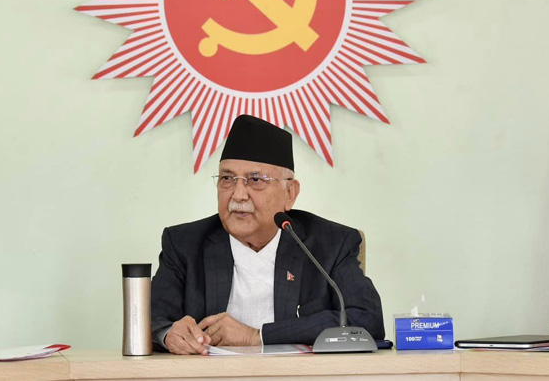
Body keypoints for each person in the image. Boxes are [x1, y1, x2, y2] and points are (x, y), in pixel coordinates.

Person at [150, 115, 384, 354]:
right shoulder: (184, 244)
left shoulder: (331, 244)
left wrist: (257, 336)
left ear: (289, 193)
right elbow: (150, 319)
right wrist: (169, 334)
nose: (238, 195)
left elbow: (367, 319)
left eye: (255, 180)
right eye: (227, 179)